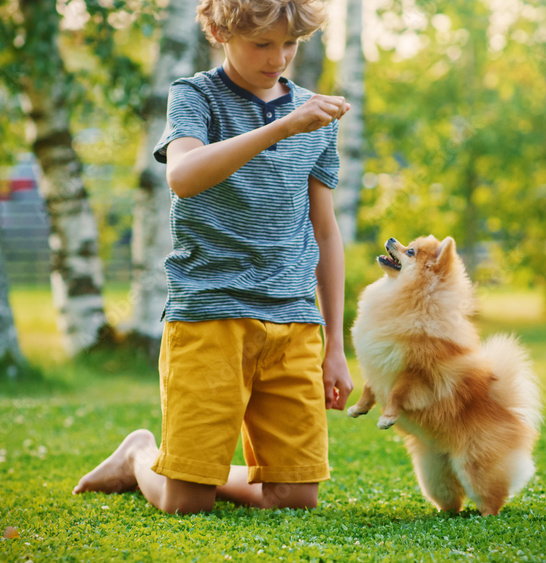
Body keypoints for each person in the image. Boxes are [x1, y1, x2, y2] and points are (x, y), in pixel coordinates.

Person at [73, 0, 353, 514]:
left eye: (289, 43)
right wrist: (282, 128)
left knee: (295, 498)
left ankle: (174, 467)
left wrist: (336, 343)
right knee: (185, 503)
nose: (279, 58)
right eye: (262, 44)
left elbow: (326, 232)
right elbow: (183, 175)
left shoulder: (316, 112)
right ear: (222, 31)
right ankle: (140, 455)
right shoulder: (193, 96)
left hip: (293, 321)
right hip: (209, 313)